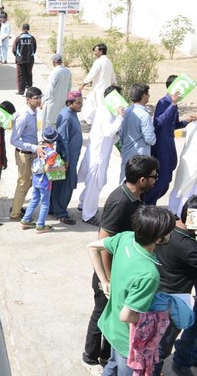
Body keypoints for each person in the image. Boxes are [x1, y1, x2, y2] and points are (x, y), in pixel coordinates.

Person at [80, 155, 160, 374]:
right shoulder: (121, 201)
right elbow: (103, 243)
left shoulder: (134, 197)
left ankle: (107, 355)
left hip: (119, 269)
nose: (156, 180)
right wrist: (107, 280)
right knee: (102, 311)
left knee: (115, 315)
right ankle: (90, 356)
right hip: (110, 272)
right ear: (142, 180)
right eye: (154, 177)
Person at [87, 206, 174, 376]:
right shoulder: (149, 274)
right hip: (127, 341)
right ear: (158, 238)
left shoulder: (126, 238)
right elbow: (126, 316)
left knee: (112, 364)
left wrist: (105, 281)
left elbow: (91, 247)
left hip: (111, 326)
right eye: (169, 231)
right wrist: (158, 317)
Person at [152, 195, 197, 376]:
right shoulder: (190, 248)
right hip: (172, 305)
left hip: (157, 295)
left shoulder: (167, 227)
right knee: (160, 349)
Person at [145, 75, 196, 205]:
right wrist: (172, 105)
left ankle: (152, 203)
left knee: (168, 175)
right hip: (161, 143)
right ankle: (147, 202)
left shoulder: (174, 104)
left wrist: (186, 121)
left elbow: (173, 125)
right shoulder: (163, 102)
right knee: (163, 178)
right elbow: (158, 122)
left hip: (170, 142)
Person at [77, 86, 125, 226]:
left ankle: (82, 202)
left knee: (99, 182)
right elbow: (108, 132)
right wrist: (121, 117)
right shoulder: (105, 113)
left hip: (100, 153)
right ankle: (88, 214)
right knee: (95, 183)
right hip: (98, 156)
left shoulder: (106, 111)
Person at [9, 87, 46, 220]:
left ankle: (16, 206)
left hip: (31, 153)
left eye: (39, 97)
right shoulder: (24, 116)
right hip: (24, 154)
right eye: (35, 98)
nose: (38, 101)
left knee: (29, 182)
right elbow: (14, 140)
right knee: (23, 183)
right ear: (28, 99)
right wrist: (33, 147)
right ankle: (15, 213)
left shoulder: (34, 112)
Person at [20, 126, 63, 233]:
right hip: (45, 182)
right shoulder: (53, 153)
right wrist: (60, 168)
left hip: (36, 179)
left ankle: (25, 220)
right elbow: (47, 168)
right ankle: (40, 225)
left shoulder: (40, 148)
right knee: (45, 204)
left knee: (34, 200)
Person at [51, 91, 83, 225]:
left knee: (61, 185)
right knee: (65, 186)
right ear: (69, 103)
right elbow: (62, 139)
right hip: (66, 159)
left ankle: (54, 208)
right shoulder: (66, 117)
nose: (81, 105)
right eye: (78, 103)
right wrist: (65, 160)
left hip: (71, 157)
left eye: (82, 102)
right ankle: (61, 213)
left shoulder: (72, 114)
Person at [119, 83, 156, 182]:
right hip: (139, 156)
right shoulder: (144, 115)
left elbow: (121, 134)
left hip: (126, 152)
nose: (148, 96)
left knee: (125, 181)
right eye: (147, 94)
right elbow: (150, 139)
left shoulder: (126, 112)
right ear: (143, 96)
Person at [79, 43, 116, 124]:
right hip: (106, 89)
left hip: (98, 89)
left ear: (101, 51)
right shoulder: (109, 62)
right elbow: (113, 76)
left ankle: (100, 123)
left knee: (99, 106)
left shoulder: (99, 62)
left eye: (95, 51)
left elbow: (91, 74)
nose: (94, 53)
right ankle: (89, 120)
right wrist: (113, 85)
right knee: (91, 103)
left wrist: (83, 84)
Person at [169, 122, 197, 216]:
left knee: (181, 190)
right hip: (193, 167)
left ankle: (176, 213)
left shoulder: (192, 125)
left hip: (187, 163)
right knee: (189, 193)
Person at [40, 54, 72, 129]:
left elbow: (50, 88)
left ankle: (48, 138)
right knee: (59, 120)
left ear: (54, 62)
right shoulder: (67, 72)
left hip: (52, 101)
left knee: (48, 121)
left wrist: (43, 101)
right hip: (63, 101)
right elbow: (69, 88)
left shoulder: (54, 72)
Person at [12, 24, 37, 95]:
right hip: (30, 60)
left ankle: (21, 91)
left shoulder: (18, 38)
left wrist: (17, 56)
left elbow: (14, 50)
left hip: (20, 60)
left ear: (22, 29)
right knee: (29, 74)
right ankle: (30, 91)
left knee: (21, 76)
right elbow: (34, 49)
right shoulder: (32, 38)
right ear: (28, 29)